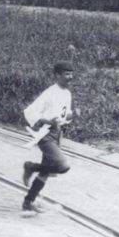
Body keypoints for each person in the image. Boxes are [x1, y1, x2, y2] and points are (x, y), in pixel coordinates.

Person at [22, 61, 77, 211]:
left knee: (45, 172)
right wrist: (46, 120)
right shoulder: (49, 93)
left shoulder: (67, 93)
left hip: (57, 133)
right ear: (57, 75)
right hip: (46, 134)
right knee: (63, 166)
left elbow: (63, 115)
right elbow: (30, 111)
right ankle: (30, 166)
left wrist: (72, 115)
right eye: (66, 74)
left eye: (71, 74)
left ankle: (28, 202)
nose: (70, 77)